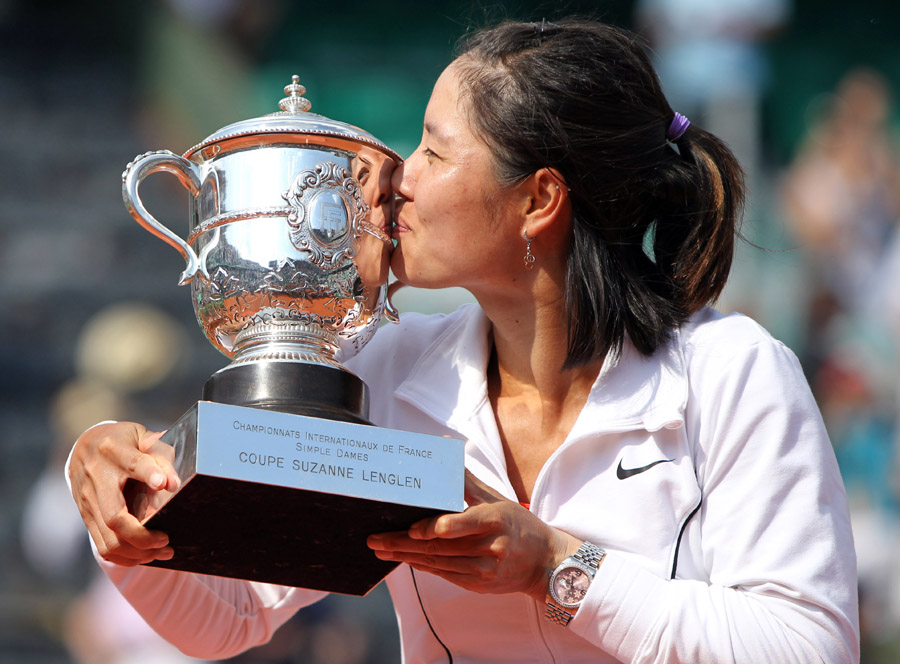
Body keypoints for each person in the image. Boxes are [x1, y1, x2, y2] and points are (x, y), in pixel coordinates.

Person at [67, 19, 859, 663]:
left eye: (435, 150)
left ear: (539, 200)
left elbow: (807, 648)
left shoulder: (734, 371)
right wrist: (125, 512)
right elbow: (230, 613)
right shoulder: (383, 368)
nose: (396, 178)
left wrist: (553, 566)